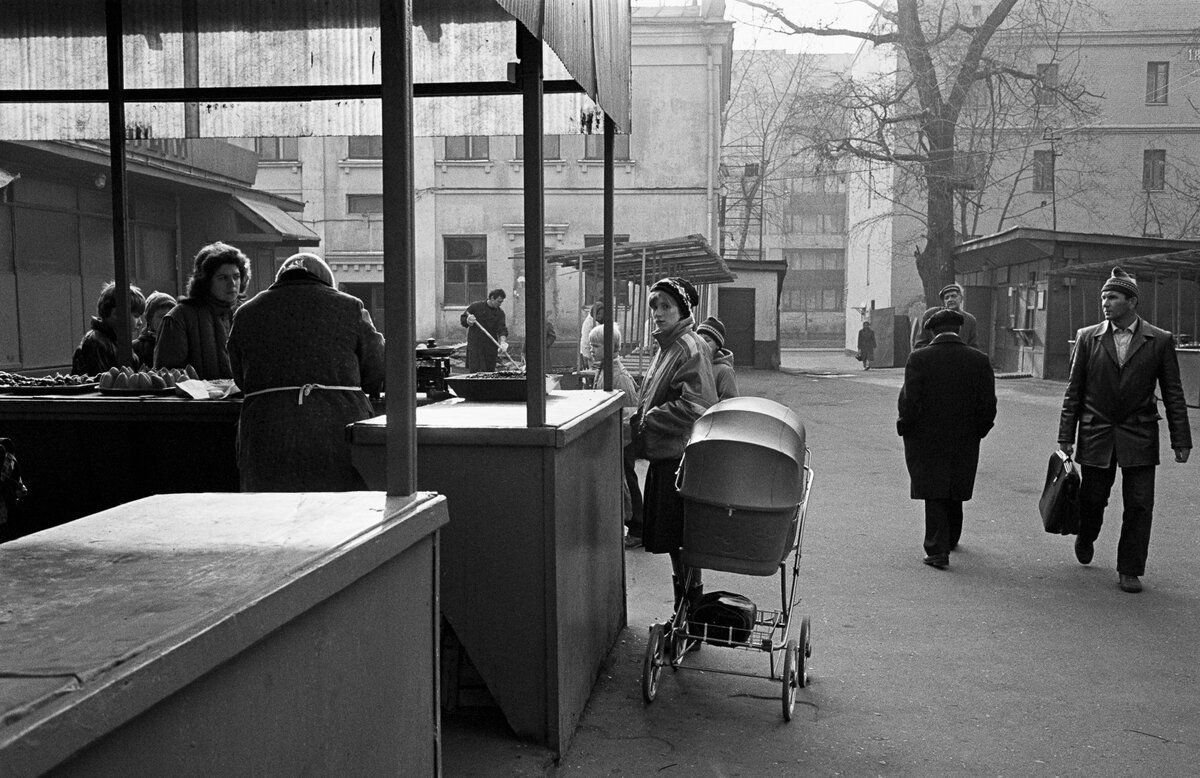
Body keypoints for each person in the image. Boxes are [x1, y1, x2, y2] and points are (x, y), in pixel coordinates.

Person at [1058, 267, 1191, 594]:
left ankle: (1130, 568)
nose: (1105, 302)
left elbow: (1173, 392)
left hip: (1139, 433)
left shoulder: (1159, 341)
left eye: (1113, 296)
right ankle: (1086, 535)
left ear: (1131, 302)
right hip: (1096, 432)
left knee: (1140, 504)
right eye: (1104, 296)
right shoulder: (1088, 337)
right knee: (1093, 499)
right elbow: (1073, 391)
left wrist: (1181, 439)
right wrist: (1065, 437)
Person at [227, 253, 385, 492]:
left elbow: (241, 377)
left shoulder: (246, 313)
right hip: (336, 428)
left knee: (268, 513)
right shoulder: (351, 307)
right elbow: (376, 370)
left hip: (264, 429)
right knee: (337, 514)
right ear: (325, 282)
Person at [630, 276, 718, 609]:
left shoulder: (688, 347)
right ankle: (685, 614)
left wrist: (646, 420)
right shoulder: (669, 346)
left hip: (681, 461)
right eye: (654, 306)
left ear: (682, 310)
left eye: (666, 306)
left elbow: (696, 406)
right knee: (674, 543)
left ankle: (689, 615)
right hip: (666, 458)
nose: (658, 312)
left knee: (681, 543)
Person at [897, 308, 997, 570]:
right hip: (965, 436)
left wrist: (905, 426)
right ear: (959, 330)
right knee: (955, 484)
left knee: (934, 488)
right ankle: (952, 537)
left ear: (932, 331)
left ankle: (937, 549)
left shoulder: (919, 358)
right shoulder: (979, 359)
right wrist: (980, 430)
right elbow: (988, 404)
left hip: (927, 437)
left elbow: (909, 401)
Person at [155, 241, 249, 379]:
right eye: (223, 278)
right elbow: (167, 376)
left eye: (236, 276)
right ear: (205, 281)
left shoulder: (246, 314)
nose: (232, 284)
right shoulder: (179, 318)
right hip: (199, 400)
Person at [72, 282, 146, 375]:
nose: (140, 322)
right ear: (116, 313)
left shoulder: (119, 342)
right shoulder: (96, 342)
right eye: (136, 316)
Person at [912, 283, 978, 351]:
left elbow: (973, 346)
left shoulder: (970, 320)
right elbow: (920, 344)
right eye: (946, 298)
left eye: (953, 296)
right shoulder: (930, 315)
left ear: (961, 298)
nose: (950, 299)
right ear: (943, 302)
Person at [460, 288, 509, 372]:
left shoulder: (500, 313)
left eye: (501, 302)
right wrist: (468, 320)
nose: (500, 304)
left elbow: (502, 329)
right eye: (499, 301)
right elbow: (463, 319)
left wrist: (503, 341)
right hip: (475, 346)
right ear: (492, 298)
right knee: (475, 372)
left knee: (489, 373)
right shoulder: (475, 307)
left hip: (490, 347)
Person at [132, 291, 177, 369]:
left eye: (171, 316)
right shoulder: (136, 347)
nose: (167, 320)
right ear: (150, 320)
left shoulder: (181, 344)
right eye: (162, 316)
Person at [696, 315, 738, 399]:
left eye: (707, 340)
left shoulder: (725, 371)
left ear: (717, 345)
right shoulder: (692, 365)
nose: (702, 344)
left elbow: (729, 403)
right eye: (698, 339)